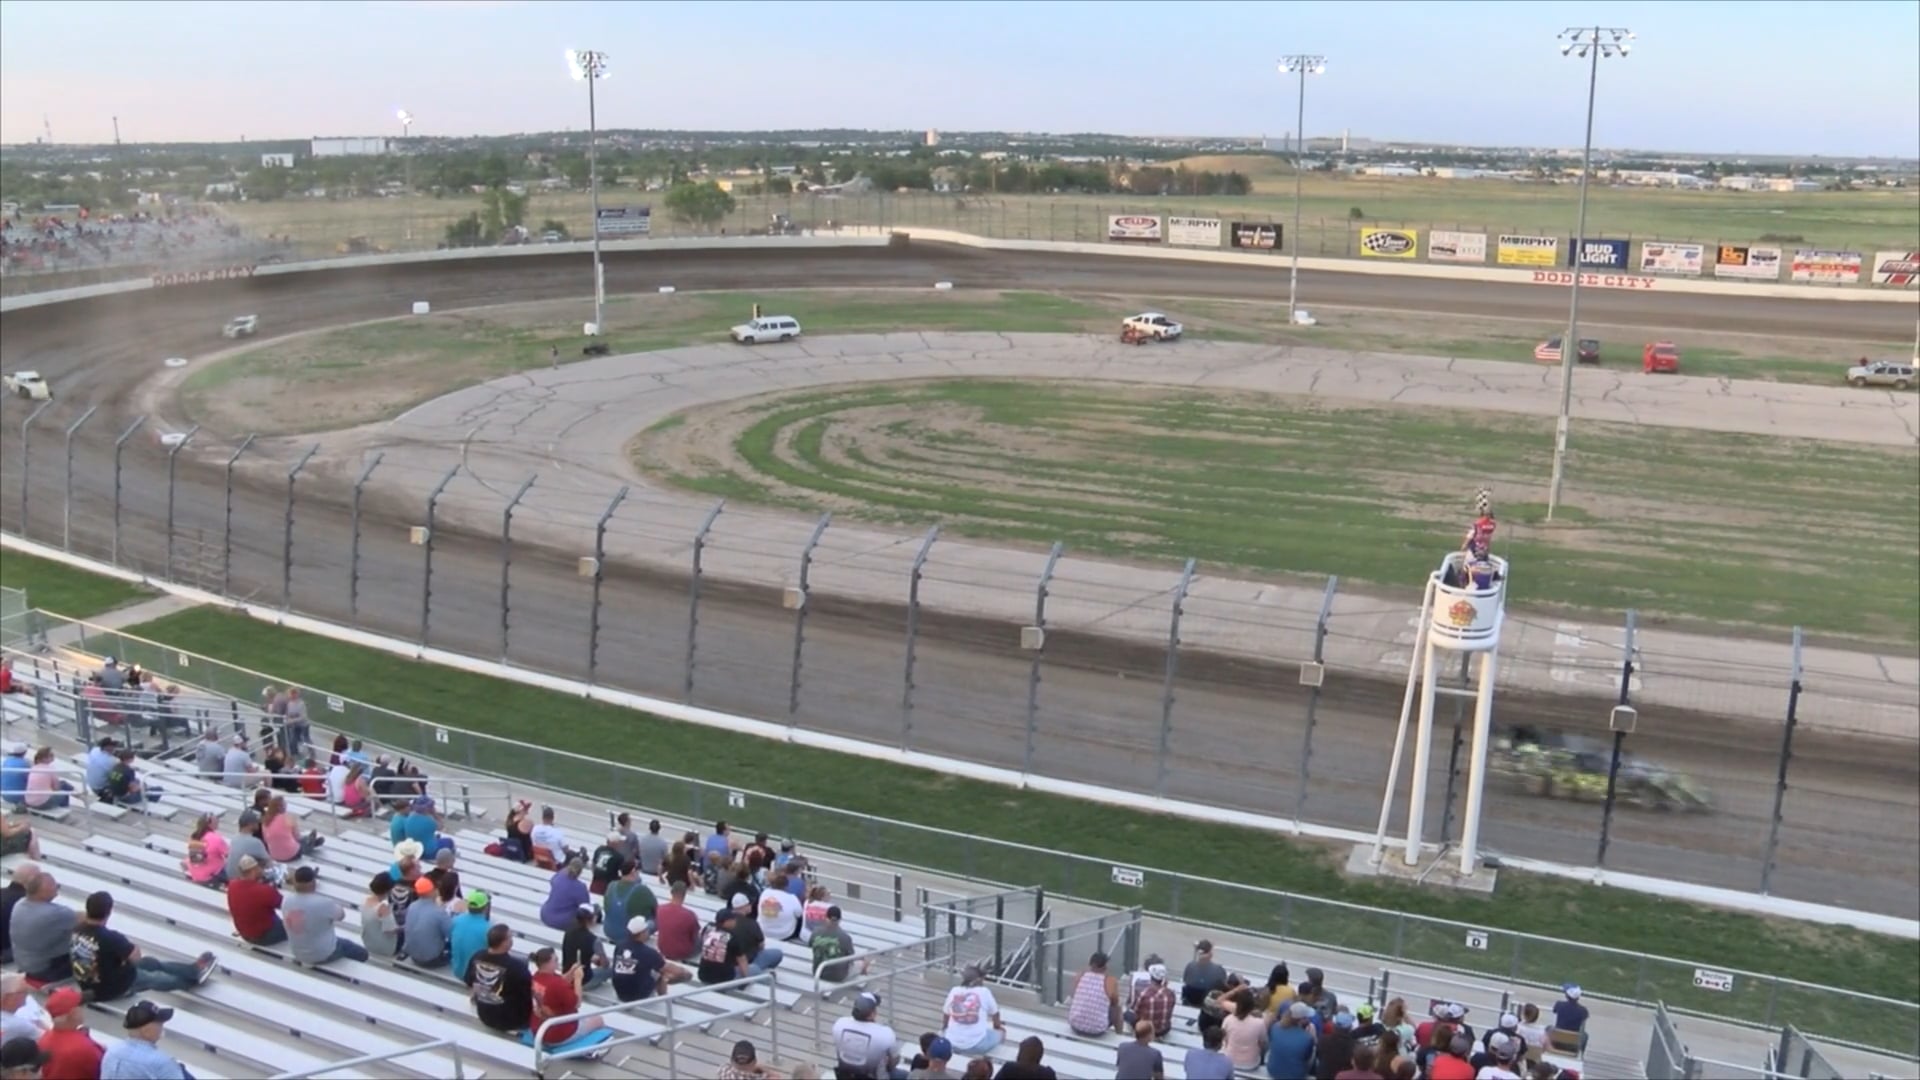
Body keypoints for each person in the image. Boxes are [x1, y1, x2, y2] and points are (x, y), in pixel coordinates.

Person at [72, 891, 214, 1000]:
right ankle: (190, 980)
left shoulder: (77, 930)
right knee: (155, 978)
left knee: (150, 962)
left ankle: (193, 969)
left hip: (92, 986)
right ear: (109, 912)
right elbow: (136, 958)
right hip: (112, 989)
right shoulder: (110, 937)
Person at [280, 866, 364, 967]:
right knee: (362, 953)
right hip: (323, 953)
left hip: (297, 952)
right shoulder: (323, 903)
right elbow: (341, 915)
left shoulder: (286, 901)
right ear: (313, 883)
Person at [466, 924, 534, 1038]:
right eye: (510, 937)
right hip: (510, 1019)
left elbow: (469, 981)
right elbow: (528, 995)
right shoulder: (516, 967)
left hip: (484, 1013)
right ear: (504, 943)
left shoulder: (477, 956)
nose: (512, 940)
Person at [529, 946, 604, 1047]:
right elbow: (577, 1003)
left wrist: (572, 971)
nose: (557, 963)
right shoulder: (557, 985)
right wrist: (578, 979)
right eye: (555, 960)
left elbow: (560, 982)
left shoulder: (536, 977)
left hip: (539, 1030)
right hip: (559, 1034)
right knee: (598, 1020)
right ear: (547, 963)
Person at [10, 870, 75, 985]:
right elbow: (89, 918)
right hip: (45, 970)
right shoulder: (54, 914)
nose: (57, 888)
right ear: (43, 891)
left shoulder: (19, 904)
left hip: (23, 964)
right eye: (55, 886)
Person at [99, 1001, 190, 1080]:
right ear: (146, 1031)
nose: (162, 1026)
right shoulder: (162, 1063)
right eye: (159, 1023)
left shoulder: (112, 1051)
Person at [610, 918, 687, 1003]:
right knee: (661, 972)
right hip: (638, 995)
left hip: (619, 991)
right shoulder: (648, 953)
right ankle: (664, 998)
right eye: (646, 930)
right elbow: (670, 969)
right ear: (642, 933)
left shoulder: (620, 945)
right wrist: (684, 972)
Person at [36, 988, 105, 1079]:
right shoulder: (84, 1047)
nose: (84, 1009)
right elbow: (104, 1070)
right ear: (73, 1013)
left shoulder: (44, 1039)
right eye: (81, 1005)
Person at [831, 992, 903, 1080]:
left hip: (844, 1076)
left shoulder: (839, 1024)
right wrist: (888, 1067)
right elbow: (895, 1060)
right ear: (872, 1014)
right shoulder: (885, 1033)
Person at [940, 966, 1003, 1056]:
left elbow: (946, 1014)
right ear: (979, 979)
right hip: (978, 1045)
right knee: (1001, 1033)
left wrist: (945, 1028)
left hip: (951, 1043)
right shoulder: (984, 991)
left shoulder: (954, 990)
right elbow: (995, 1014)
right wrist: (998, 1028)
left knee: (944, 1033)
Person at [226, 855, 286, 946]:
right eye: (259, 867)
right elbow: (284, 905)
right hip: (264, 936)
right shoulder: (264, 891)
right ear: (254, 870)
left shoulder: (232, 885)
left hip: (245, 934)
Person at [1065, 950, 1120, 1036]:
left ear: (1090, 964)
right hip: (1097, 1030)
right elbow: (1115, 1002)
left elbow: (1073, 995)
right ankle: (1119, 1034)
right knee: (1117, 1009)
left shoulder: (1080, 976)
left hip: (1075, 1025)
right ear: (1105, 966)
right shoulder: (1110, 981)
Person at [727, 894, 783, 977]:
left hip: (729, 961)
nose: (751, 906)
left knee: (776, 953)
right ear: (745, 906)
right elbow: (761, 946)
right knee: (775, 955)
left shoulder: (725, 921)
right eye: (749, 904)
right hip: (745, 963)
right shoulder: (752, 924)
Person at [402, 876, 452, 968]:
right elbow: (451, 934)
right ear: (432, 891)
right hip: (431, 960)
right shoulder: (439, 912)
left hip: (412, 955)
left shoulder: (412, 906)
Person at [808, 905, 865, 983]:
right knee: (863, 962)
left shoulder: (815, 932)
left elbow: (810, 944)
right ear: (840, 919)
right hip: (838, 976)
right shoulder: (845, 937)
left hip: (818, 972)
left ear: (825, 917)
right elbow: (851, 958)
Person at [602, 861, 652, 948]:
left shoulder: (611, 885)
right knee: (655, 920)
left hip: (609, 931)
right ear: (633, 871)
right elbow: (656, 908)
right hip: (627, 935)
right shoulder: (642, 890)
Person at [261, 795, 324, 862]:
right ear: (280, 807)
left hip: (274, 855)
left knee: (291, 839)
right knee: (302, 842)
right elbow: (297, 837)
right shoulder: (288, 818)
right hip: (291, 855)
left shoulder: (265, 821)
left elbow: (265, 839)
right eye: (285, 804)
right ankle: (311, 843)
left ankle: (309, 840)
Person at [561, 905, 611, 989]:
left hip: (567, 974)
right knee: (611, 969)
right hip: (584, 980)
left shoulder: (568, 932)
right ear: (592, 919)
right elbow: (605, 964)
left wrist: (590, 957)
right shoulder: (594, 940)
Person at [449, 891, 493, 982]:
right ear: (485, 907)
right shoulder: (489, 929)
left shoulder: (456, 920)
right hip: (473, 975)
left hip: (457, 969)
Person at [1266, 1002, 1317, 1080]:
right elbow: (1307, 1057)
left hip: (1273, 1071)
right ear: (1301, 1020)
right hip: (1295, 1076)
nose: (1308, 1019)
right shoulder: (1307, 1038)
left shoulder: (1275, 1027)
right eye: (1306, 1017)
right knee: (1313, 1051)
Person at [654, 881, 701, 963]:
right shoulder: (690, 915)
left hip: (663, 948)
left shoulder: (659, 909)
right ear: (685, 894)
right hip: (682, 952)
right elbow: (694, 936)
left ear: (671, 892)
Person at [1222, 990, 1269, 1071]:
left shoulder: (1228, 1019)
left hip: (1229, 1060)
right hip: (1250, 1064)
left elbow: (1225, 1039)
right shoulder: (1259, 1023)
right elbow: (1263, 1042)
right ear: (1252, 1006)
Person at [539, 860, 591, 931]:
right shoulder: (580, 887)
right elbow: (585, 905)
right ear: (580, 872)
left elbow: (552, 881)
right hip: (562, 922)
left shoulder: (560, 875)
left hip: (545, 914)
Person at [1127, 964, 1174, 1040]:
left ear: (1151, 977)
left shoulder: (1144, 993)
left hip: (1146, 1030)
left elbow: (1135, 1011)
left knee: (1127, 1014)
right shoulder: (1171, 994)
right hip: (1163, 1030)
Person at [361, 872, 402, 959]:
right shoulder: (383, 908)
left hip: (369, 943)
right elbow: (391, 930)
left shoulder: (365, 901)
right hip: (385, 948)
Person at [758, 871, 805, 943]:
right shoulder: (792, 898)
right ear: (787, 886)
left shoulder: (765, 892)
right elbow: (799, 914)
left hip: (762, 930)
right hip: (784, 934)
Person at [1549, 986, 1587, 1053]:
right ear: (1578, 998)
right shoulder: (1583, 1011)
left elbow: (1554, 1011)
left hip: (1557, 1039)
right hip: (1572, 1043)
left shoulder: (1559, 1005)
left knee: (1548, 1028)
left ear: (1567, 996)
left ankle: (1547, 1047)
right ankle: (1580, 1053)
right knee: (1585, 1035)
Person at [589, 832, 627, 897]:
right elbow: (622, 874)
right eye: (619, 842)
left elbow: (593, 865)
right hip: (608, 887)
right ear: (615, 843)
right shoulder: (618, 857)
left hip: (595, 882)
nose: (621, 844)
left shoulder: (599, 849)